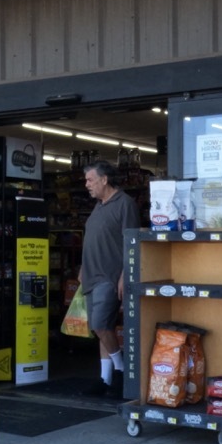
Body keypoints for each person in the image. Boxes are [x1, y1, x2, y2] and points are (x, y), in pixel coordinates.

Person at [78, 159, 139, 397]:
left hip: (110, 276)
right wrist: (83, 267)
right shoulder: (99, 205)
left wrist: (126, 274)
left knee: (100, 325)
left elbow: (131, 243)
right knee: (102, 329)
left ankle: (122, 372)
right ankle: (105, 380)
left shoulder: (125, 204)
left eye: (90, 179)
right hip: (92, 275)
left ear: (104, 180)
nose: (86, 184)